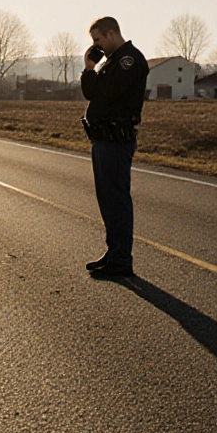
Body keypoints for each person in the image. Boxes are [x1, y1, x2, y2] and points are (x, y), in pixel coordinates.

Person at [80, 16, 149, 277]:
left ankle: (122, 260)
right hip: (102, 139)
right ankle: (114, 253)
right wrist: (89, 68)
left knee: (117, 200)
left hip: (116, 140)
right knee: (106, 200)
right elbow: (90, 92)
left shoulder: (129, 60)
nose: (95, 45)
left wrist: (95, 76)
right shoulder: (110, 62)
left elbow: (108, 91)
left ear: (111, 34)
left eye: (97, 40)